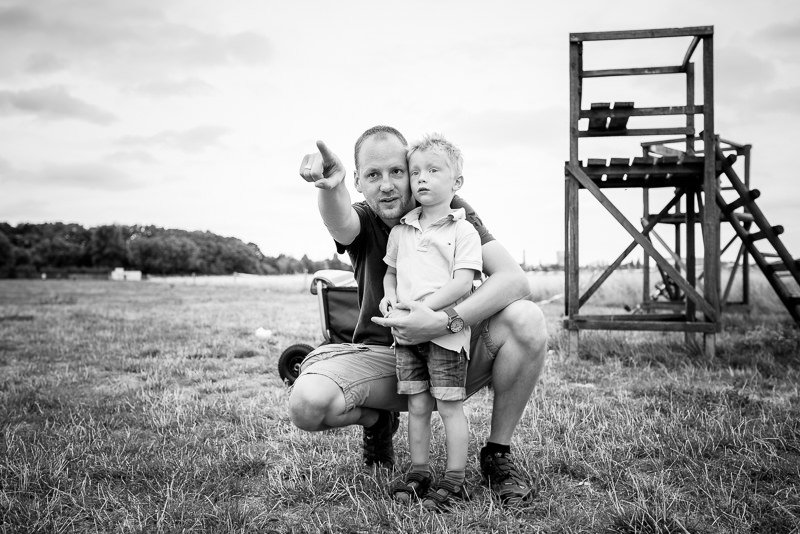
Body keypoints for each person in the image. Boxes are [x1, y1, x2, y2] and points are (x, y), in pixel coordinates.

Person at [291, 125, 547, 506]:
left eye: (398, 171)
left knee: (527, 318)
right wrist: (330, 189)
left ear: (412, 172)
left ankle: (497, 454)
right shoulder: (365, 219)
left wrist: (445, 320)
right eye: (373, 176)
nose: (388, 185)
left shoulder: (452, 211)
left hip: (450, 350)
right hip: (386, 359)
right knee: (307, 405)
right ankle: (378, 421)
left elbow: (514, 280)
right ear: (359, 181)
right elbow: (339, 220)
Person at [380, 133, 482, 509]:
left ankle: (455, 479)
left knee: (450, 406)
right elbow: (390, 275)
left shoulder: (463, 230)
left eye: (433, 170)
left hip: (444, 336)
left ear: (456, 182)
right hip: (406, 334)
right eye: (416, 171)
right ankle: (419, 470)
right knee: (418, 406)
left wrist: (425, 310)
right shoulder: (401, 231)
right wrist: (391, 297)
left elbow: (462, 282)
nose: (421, 178)